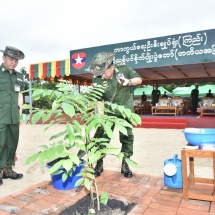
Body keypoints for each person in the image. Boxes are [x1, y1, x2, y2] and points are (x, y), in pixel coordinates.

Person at [89, 52, 142, 178]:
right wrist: (101, 116)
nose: (101, 75)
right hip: (108, 112)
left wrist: (128, 82)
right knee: (101, 137)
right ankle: (99, 163)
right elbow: (99, 99)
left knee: (127, 137)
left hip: (125, 110)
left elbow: (139, 79)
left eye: (103, 72)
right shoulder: (97, 78)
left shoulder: (123, 68)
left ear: (111, 68)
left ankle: (125, 164)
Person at [0, 46, 25, 185]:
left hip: (14, 116)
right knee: (0, 143)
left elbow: (20, 95)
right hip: (0, 115)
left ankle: (8, 169)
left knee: (12, 143)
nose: (13, 62)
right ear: (3, 57)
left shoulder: (19, 76)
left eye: (16, 60)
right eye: (11, 59)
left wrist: (20, 114)